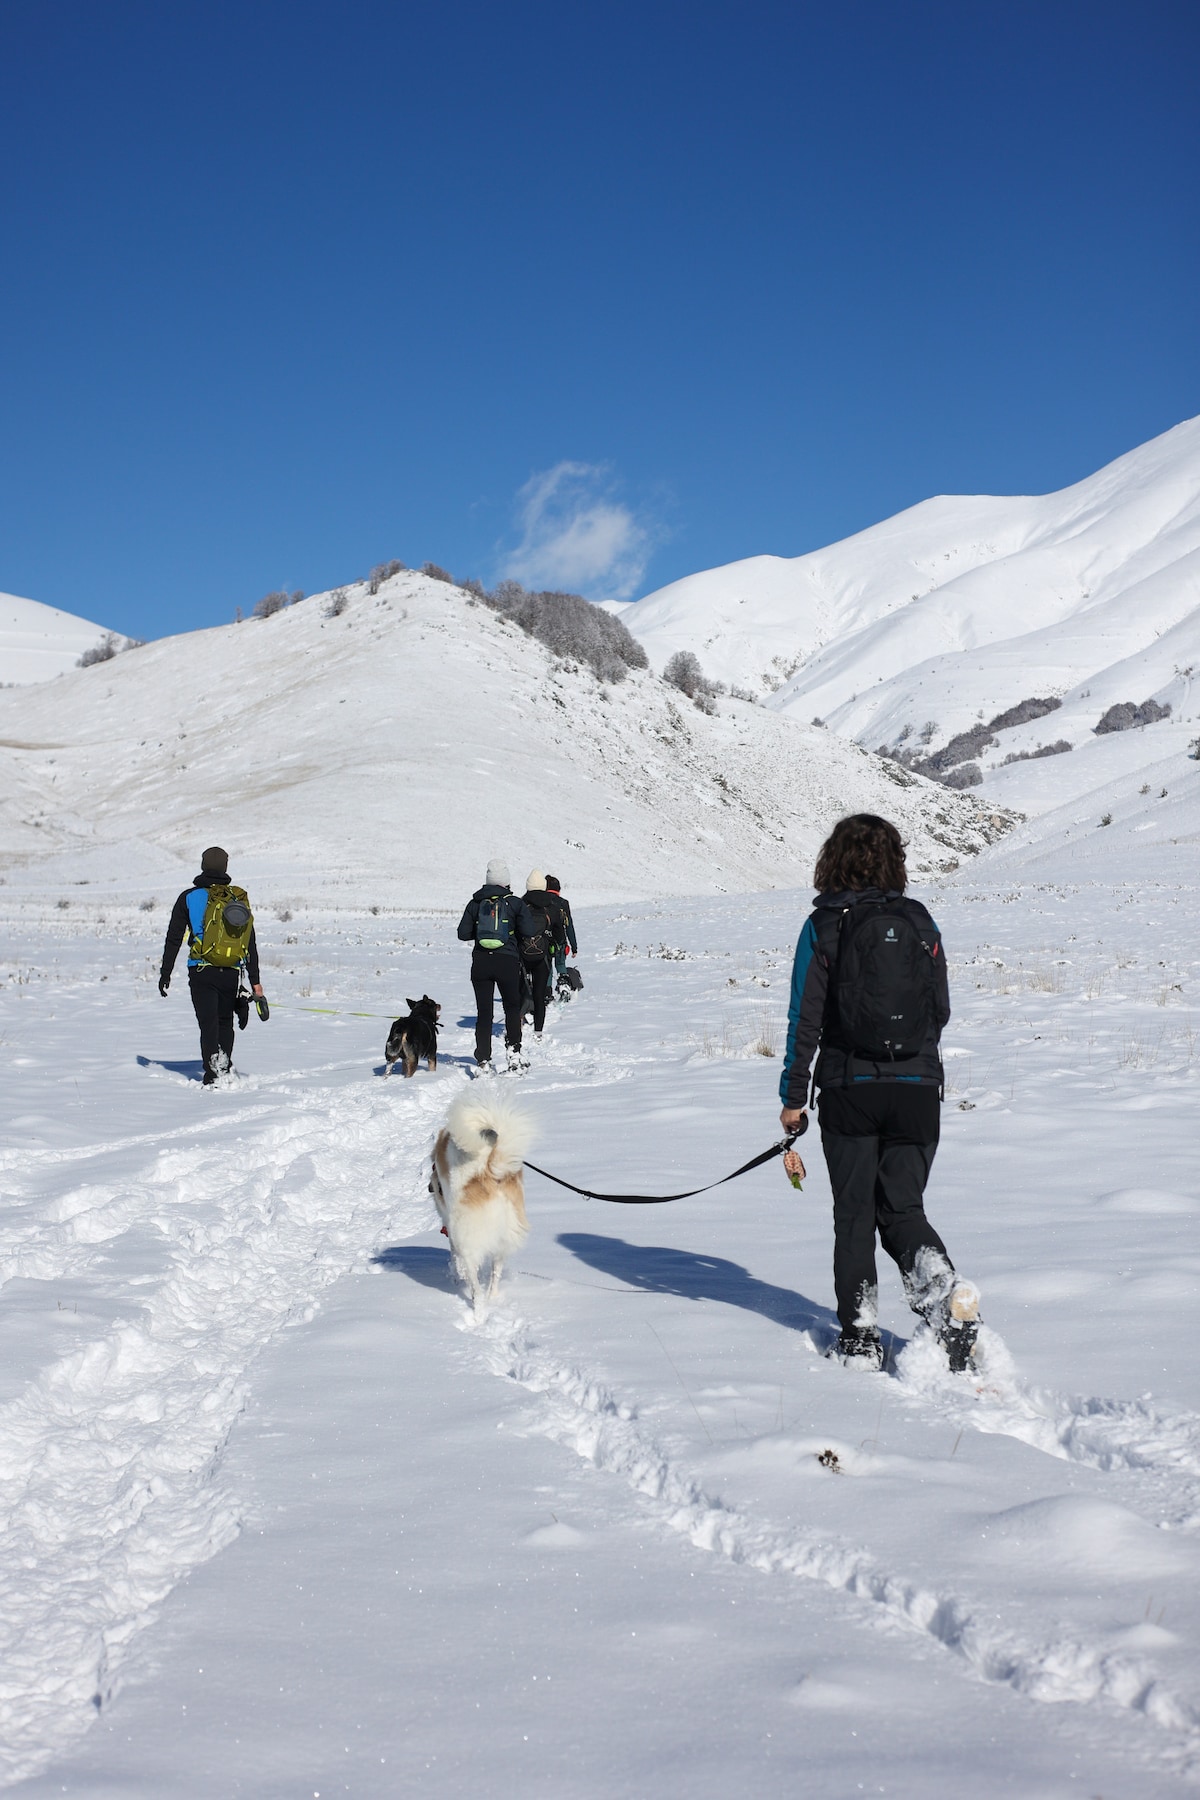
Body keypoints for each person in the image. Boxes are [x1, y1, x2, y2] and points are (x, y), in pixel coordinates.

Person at [778, 813, 981, 1371]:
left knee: (855, 1215)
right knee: (903, 1208)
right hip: (917, 1089)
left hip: (849, 1090)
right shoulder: (920, 922)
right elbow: (939, 1009)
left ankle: (861, 1336)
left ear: (833, 860)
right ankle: (942, 1287)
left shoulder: (822, 926)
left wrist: (793, 1097)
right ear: (896, 860)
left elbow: (805, 1020)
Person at [159, 847, 264, 1086]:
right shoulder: (236, 899)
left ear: (203, 866)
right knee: (225, 1021)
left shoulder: (188, 897)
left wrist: (166, 972)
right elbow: (249, 941)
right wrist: (255, 980)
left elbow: (174, 937)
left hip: (201, 969)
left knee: (208, 1023)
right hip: (231, 971)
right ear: (225, 868)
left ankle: (212, 1075)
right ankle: (224, 1069)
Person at [457, 860, 538, 1072]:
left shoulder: (475, 902)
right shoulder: (514, 903)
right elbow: (529, 931)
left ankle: (483, 1060)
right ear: (506, 881)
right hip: (507, 961)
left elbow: (462, 934)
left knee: (484, 1012)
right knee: (512, 1008)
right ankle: (514, 1054)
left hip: (481, 963)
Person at [519, 871, 556, 1037]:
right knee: (539, 993)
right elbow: (559, 934)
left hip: (522, 955)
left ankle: (518, 1022)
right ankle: (538, 1030)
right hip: (543, 957)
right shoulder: (552, 906)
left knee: (520, 990)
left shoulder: (520, 904)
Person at [544, 875, 579, 996]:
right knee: (560, 964)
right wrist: (574, 946)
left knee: (547, 967)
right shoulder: (563, 903)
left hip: (545, 939)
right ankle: (564, 986)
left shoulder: (542, 901)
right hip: (560, 940)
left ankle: (547, 993)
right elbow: (569, 925)